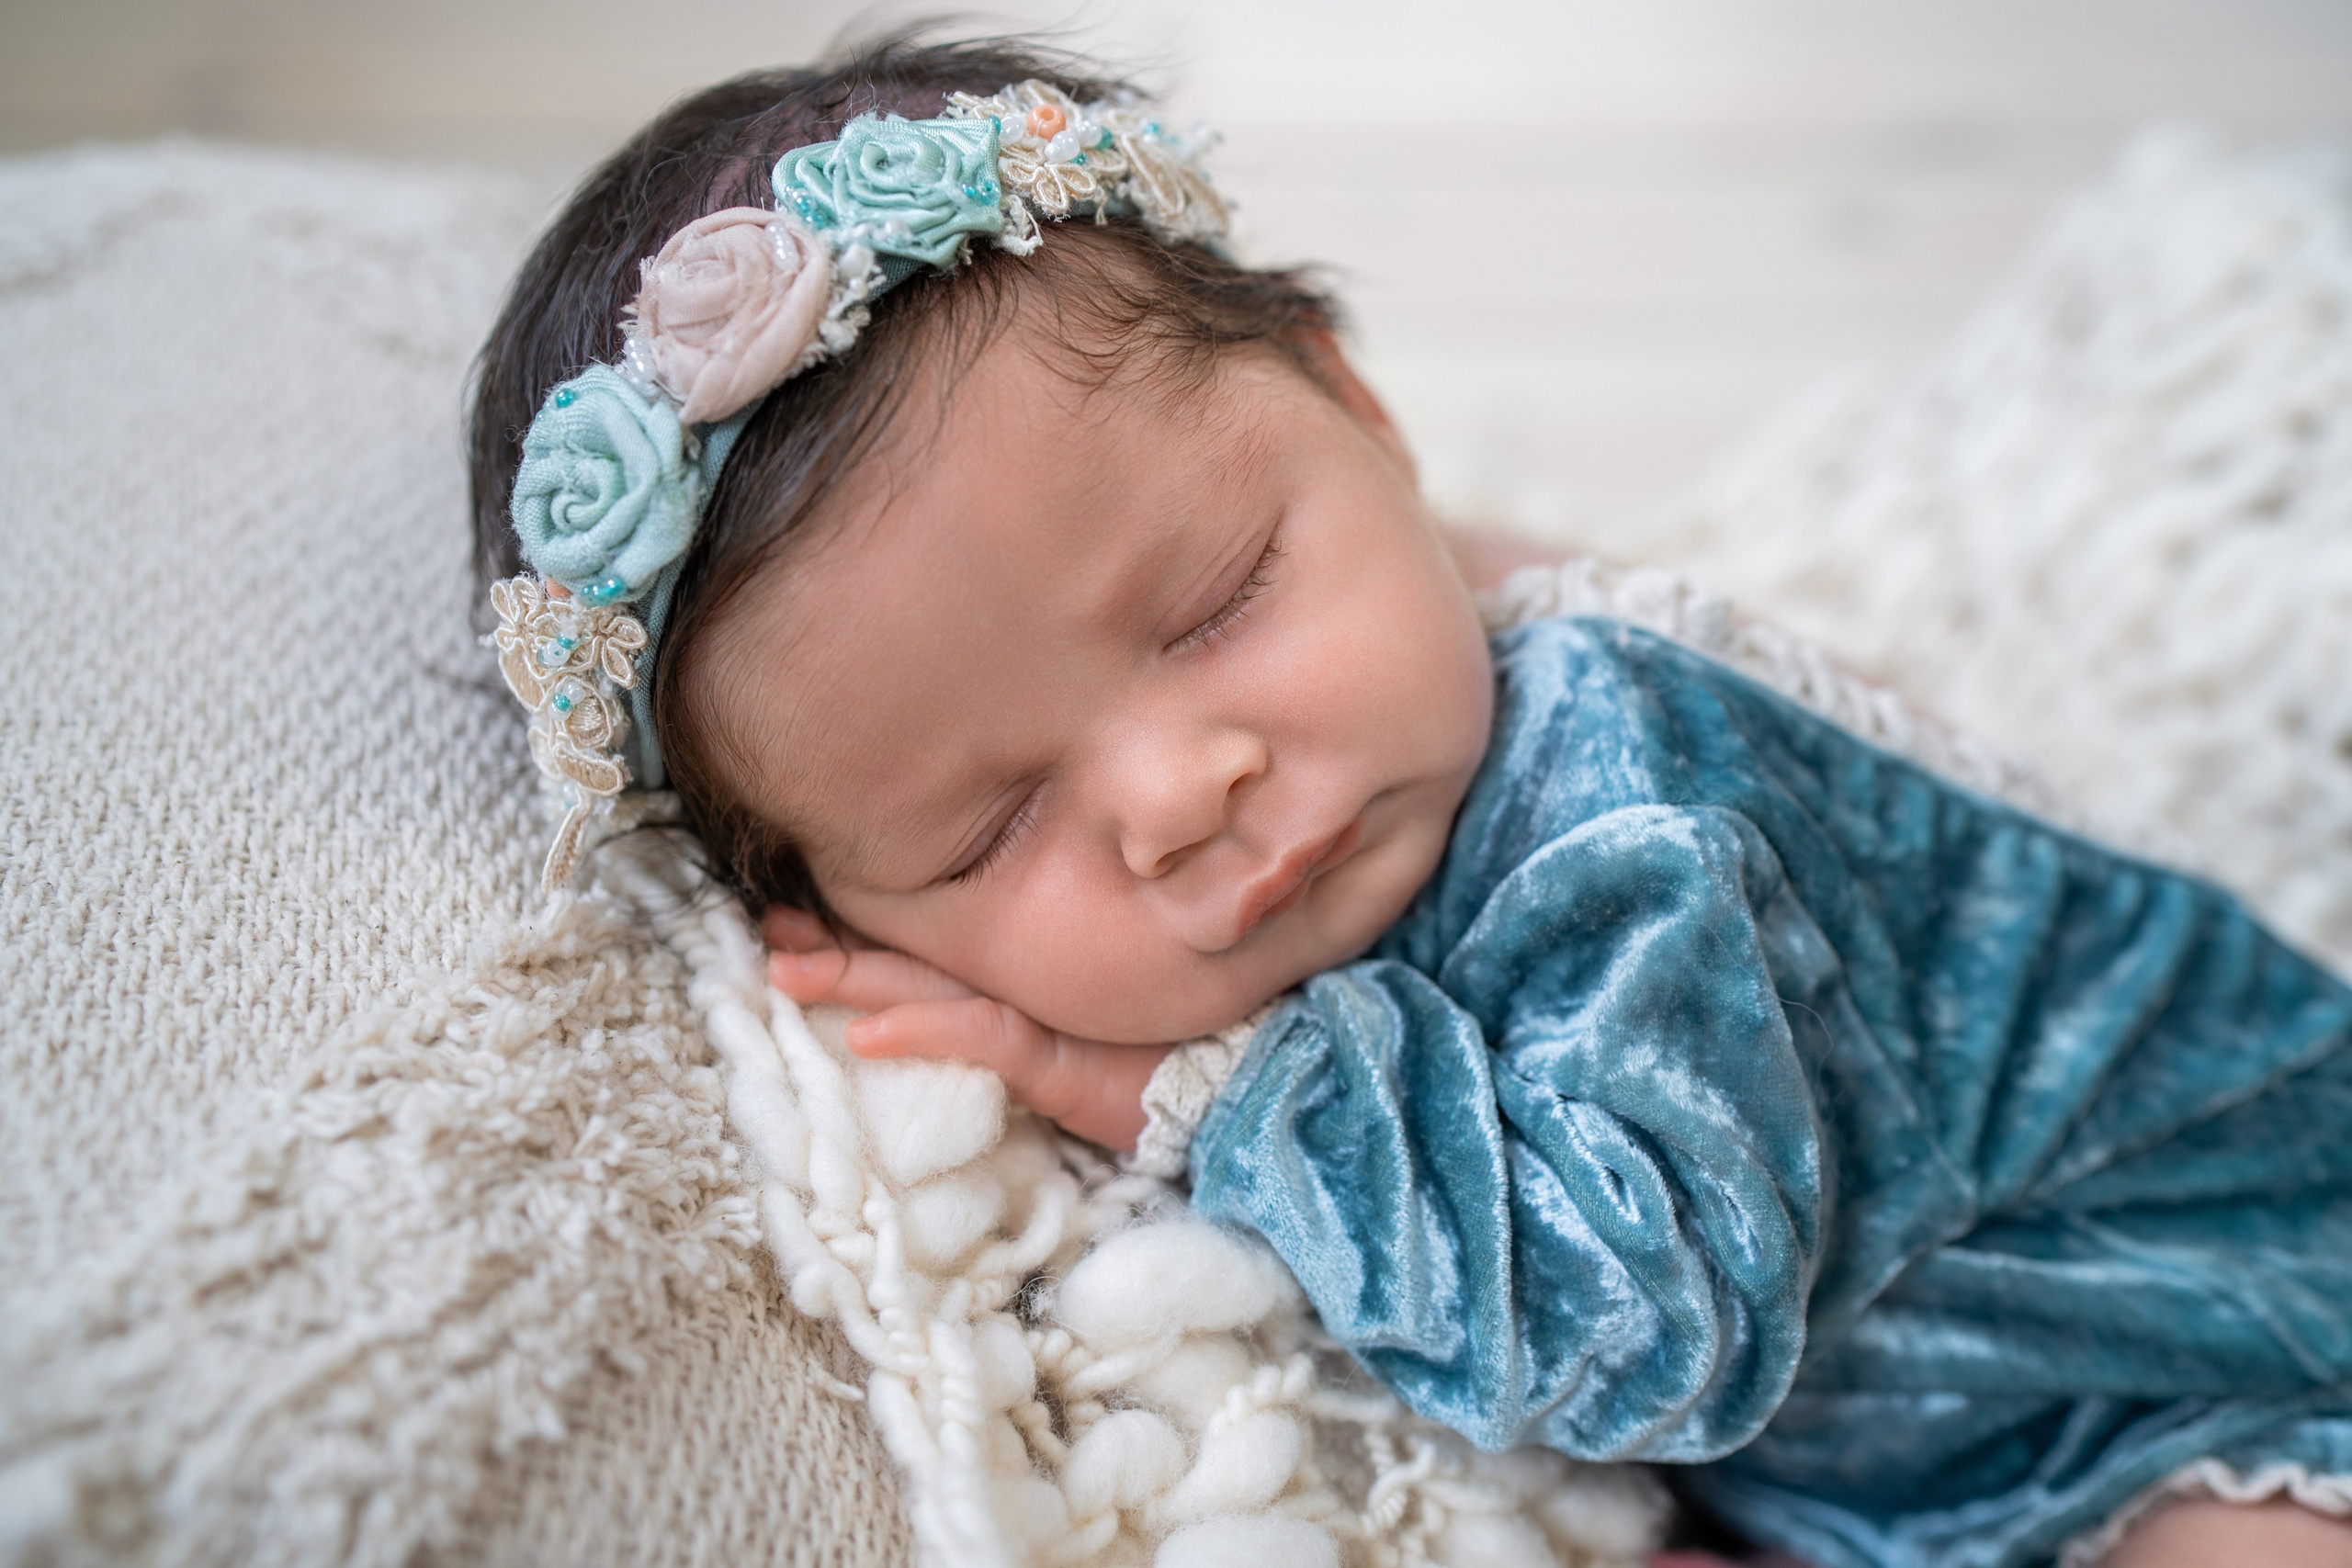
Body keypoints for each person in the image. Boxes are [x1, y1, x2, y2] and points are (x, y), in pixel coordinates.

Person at [468, 35, 2352, 1568]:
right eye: (981, 830)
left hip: (2221, 1319)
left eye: (1218, 598)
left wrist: (1160, 1092)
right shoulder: (1367, 661)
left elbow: (1644, 1327)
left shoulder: (1638, 811)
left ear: (1362, 416)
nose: (1177, 793)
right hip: (1935, 1431)